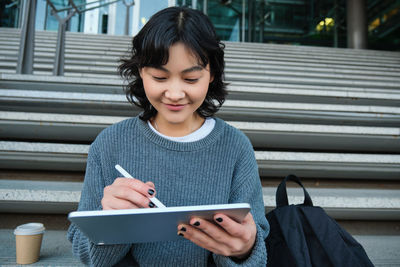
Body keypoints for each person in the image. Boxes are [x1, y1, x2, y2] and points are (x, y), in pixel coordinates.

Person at [67, 6, 269, 266]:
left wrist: (244, 249)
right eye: (160, 77)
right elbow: (86, 254)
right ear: (141, 71)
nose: (174, 93)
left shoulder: (235, 146)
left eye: (191, 78)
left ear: (212, 74)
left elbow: (256, 243)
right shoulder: (110, 144)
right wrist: (112, 223)